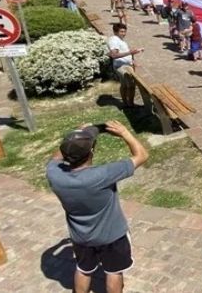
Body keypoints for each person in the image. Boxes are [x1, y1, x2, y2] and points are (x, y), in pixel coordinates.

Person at [46, 121, 149, 293]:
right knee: (114, 272)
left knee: (84, 270)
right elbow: (142, 155)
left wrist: (75, 135)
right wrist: (125, 133)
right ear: (92, 152)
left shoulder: (53, 173)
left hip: (81, 237)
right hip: (112, 237)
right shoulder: (103, 175)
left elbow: (55, 158)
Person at [108, 24, 143, 108]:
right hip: (121, 66)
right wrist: (130, 52)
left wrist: (133, 60)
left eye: (124, 31)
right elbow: (114, 55)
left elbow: (125, 53)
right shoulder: (114, 40)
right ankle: (130, 104)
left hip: (126, 65)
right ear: (115, 32)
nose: (124, 33)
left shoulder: (121, 40)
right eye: (121, 31)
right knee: (131, 85)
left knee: (125, 84)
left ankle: (127, 103)